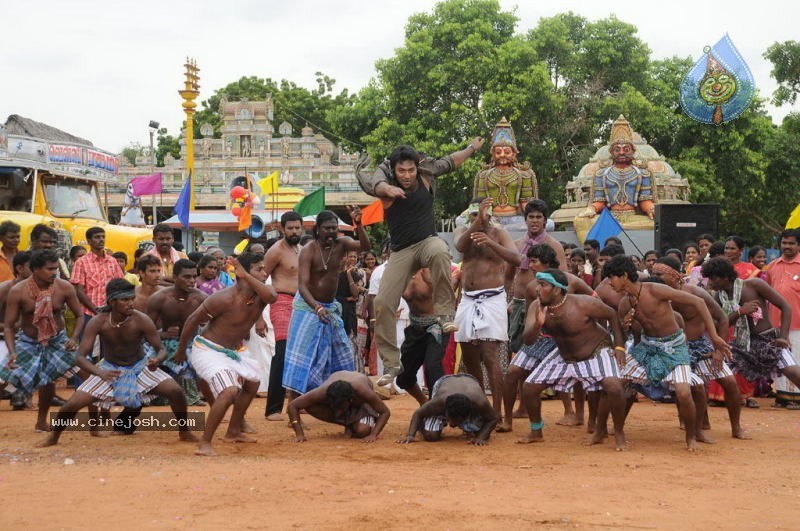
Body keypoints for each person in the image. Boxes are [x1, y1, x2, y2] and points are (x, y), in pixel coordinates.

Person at [355, 139, 484, 384]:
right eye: (401, 171)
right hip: (401, 251)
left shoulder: (426, 175)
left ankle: (446, 315)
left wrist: (471, 148)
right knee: (382, 303)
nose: (406, 176)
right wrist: (387, 189)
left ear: (417, 167)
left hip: (426, 242)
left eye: (410, 170)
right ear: (394, 170)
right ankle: (392, 364)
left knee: (440, 252)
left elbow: (451, 161)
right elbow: (375, 182)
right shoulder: (384, 184)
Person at [38, 279, 197, 447]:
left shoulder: (141, 319)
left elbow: (161, 349)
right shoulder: (98, 322)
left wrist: (157, 360)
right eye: (125, 300)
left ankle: (184, 430)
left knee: (176, 391)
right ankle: (53, 437)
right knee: (72, 404)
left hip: (140, 367)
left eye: (131, 299)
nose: (130, 303)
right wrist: (100, 373)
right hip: (108, 370)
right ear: (112, 302)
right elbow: (80, 357)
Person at [608, 256, 729, 451]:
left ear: (623, 276)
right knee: (616, 384)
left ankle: (690, 438)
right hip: (647, 348)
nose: (609, 282)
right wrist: (625, 334)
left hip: (675, 348)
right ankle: (619, 433)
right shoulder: (625, 303)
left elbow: (698, 302)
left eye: (611, 277)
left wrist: (714, 336)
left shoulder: (654, 290)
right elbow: (625, 333)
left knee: (683, 391)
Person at [175, 253, 277, 456]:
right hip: (207, 349)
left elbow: (272, 297)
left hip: (231, 352)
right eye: (259, 269)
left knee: (252, 382)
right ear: (244, 272)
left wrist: (248, 276)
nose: (265, 273)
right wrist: (180, 350)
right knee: (229, 391)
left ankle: (233, 431)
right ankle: (205, 443)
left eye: (265, 269)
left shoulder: (261, 296)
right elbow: (193, 320)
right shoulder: (224, 298)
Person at [513, 269, 628, 450]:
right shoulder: (537, 306)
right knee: (529, 387)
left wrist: (619, 347)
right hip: (565, 356)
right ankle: (536, 431)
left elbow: (612, 315)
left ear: (557, 290)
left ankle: (618, 433)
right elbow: (528, 340)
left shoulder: (583, 303)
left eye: (543, 285)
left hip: (595, 351)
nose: (537, 289)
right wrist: (537, 324)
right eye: (538, 284)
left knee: (613, 386)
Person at [498, 245, 594, 433]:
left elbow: (593, 300)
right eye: (530, 260)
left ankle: (577, 414)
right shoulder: (531, 288)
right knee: (512, 372)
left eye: (534, 261)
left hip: (567, 339)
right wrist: (532, 331)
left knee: (577, 375)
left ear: (547, 263)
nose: (530, 265)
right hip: (539, 337)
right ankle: (507, 419)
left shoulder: (571, 281)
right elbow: (529, 316)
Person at [651, 258, 747, 439]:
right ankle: (695, 425)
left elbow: (723, 319)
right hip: (674, 348)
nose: (654, 277)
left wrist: (719, 349)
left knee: (730, 383)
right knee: (692, 387)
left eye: (659, 274)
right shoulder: (655, 296)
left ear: (674, 275)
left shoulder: (696, 293)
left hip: (701, 347)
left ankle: (736, 427)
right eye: (653, 274)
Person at [283, 209, 370, 400]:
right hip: (307, 307)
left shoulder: (342, 244)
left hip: (330, 309)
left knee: (342, 353)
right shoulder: (308, 251)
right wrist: (317, 307)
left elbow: (365, 246)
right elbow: (302, 286)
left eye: (334, 228)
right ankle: (294, 407)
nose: (331, 232)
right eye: (327, 228)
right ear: (317, 229)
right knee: (303, 358)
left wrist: (359, 224)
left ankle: (342, 399)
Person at [2, 250, 85, 431]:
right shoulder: (18, 291)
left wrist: (74, 337)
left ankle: (96, 423)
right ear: (36, 270)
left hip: (58, 340)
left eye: (56, 268)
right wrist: (13, 351)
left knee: (88, 374)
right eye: (49, 269)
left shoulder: (64, 287)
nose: (54, 272)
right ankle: (36, 417)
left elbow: (80, 315)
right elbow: (9, 325)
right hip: (29, 341)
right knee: (6, 375)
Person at [453, 197, 520, 416]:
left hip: (492, 299)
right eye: (474, 214)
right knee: (470, 356)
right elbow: (460, 246)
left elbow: (516, 259)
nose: (478, 218)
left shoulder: (500, 233)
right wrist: (476, 224)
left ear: (491, 214)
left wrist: (490, 242)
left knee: (490, 356)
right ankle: (480, 407)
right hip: (467, 298)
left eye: (482, 214)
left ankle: (497, 412)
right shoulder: (463, 230)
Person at [703, 256, 800, 406]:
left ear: (725, 277)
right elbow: (719, 325)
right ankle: (710, 413)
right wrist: (740, 312)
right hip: (742, 344)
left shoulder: (754, 285)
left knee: (793, 372)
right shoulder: (718, 297)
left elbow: (785, 306)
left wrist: (783, 336)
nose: (710, 283)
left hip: (768, 340)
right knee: (716, 371)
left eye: (713, 278)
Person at [261, 210, 303, 420]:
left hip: (302, 305)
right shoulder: (276, 250)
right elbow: (260, 280)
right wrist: (258, 316)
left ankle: (296, 404)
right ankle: (273, 408)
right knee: (283, 352)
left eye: (297, 227)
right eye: (290, 228)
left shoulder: (302, 249)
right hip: (282, 303)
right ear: (282, 228)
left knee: (300, 356)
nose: (294, 231)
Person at [146, 259, 206, 406]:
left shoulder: (201, 298)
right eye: (186, 277)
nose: (192, 281)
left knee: (202, 361)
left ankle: (196, 394)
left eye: (194, 276)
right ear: (174, 278)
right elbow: (145, 328)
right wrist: (162, 335)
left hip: (193, 344)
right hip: (164, 343)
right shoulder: (158, 298)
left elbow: (215, 323)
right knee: (147, 361)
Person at [395, 268, 450, 405]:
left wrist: (431, 282)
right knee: (403, 376)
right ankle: (424, 403)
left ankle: (436, 409)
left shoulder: (432, 268)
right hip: (415, 329)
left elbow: (447, 294)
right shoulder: (402, 271)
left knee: (432, 367)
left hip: (436, 327)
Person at [287, 371, 390, 442]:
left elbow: (385, 412)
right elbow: (293, 405)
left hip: (362, 405)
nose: (338, 411)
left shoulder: (362, 391)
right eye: (335, 407)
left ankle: (355, 424)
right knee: (310, 406)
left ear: (350, 400)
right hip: (339, 393)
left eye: (340, 407)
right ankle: (349, 425)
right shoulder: (322, 392)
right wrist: (299, 433)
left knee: (362, 431)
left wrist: (374, 434)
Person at [471, 117, 538, 226]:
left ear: (514, 154)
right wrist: (476, 216)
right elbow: (477, 204)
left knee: (548, 223)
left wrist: (533, 219)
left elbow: (527, 204)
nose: (502, 155)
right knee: (460, 221)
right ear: (493, 154)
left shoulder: (525, 174)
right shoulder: (483, 175)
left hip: (516, 219)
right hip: (491, 219)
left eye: (507, 152)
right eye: (498, 152)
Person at [398, 373, 499, 445]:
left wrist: (481, 437)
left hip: (470, 380)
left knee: (480, 432)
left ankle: (469, 426)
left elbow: (494, 418)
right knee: (431, 436)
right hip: (444, 381)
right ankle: (423, 426)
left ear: (469, 413)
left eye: (458, 422)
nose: (452, 426)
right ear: (444, 411)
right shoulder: (439, 402)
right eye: (451, 420)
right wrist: (411, 435)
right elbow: (418, 413)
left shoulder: (479, 402)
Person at [765, 229, 800, 408]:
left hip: (798, 323)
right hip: (775, 323)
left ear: (798, 245)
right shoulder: (772, 266)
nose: (787, 246)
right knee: (780, 360)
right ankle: (782, 396)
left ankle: (797, 398)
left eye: (791, 243)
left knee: (797, 359)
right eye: (784, 243)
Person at [70, 227, 124, 338]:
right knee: (87, 349)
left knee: (108, 348)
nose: (101, 240)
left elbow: (120, 285)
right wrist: (96, 310)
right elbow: (78, 291)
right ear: (89, 241)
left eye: (103, 237)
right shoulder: (81, 262)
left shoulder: (112, 261)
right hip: (87, 313)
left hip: (110, 313)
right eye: (97, 237)